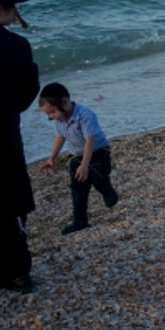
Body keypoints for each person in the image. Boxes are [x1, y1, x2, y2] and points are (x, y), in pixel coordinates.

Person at [0, 0, 39, 293]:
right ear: (0, 9)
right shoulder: (17, 47)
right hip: (3, 132)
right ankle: (15, 273)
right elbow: (28, 90)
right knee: (10, 201)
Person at [38, 83, 119, 235]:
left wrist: (85, 165)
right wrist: (51, 158)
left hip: (98, 151)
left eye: (52, 112)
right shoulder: (59, 120)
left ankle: (108, 191)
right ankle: (80, 221)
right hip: (76, 155)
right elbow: (61, 137)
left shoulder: (85, 114)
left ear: (65, 102)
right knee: (78, 188)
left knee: (97, 177)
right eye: (48, 114)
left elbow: (90, 141)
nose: (51, 117)